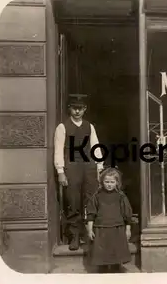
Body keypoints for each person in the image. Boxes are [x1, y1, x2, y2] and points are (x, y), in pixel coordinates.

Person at [54, 94, 104, 250]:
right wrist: (60, 171)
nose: (77, 112)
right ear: (70, 109)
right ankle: (74, 235)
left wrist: (99, 166)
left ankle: (89, 234)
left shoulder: (89, 126)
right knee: (73, 201)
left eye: (80, 109)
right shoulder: (62, 127)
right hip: (72, 166)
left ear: (84, 109)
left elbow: (95, 146)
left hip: (89, 166)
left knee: (91, 199)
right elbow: (58, 150)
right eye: (74, 108)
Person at [86, 167, 134, 273]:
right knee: (102, 251)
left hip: (117, 227)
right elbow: (91, 213)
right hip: (101, 228)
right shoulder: (97, 196)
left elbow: (127, 214)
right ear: (102, 182)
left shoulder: (121, 196)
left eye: (112, 182)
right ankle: (102, 268)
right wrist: (90, 229)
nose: (109, 184)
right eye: (106, 182)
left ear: (117, 182)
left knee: (116, 249)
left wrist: (128, 229)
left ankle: (116, 267)